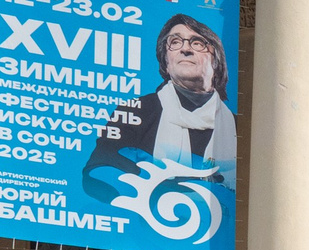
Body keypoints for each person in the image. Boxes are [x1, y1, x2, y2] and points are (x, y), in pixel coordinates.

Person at [81, 14, 236, 196]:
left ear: (216, 60)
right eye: (175, 42)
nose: (185, 48)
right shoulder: (136, 111)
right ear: (166, 62)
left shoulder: (238, 127)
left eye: (197, 43)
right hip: (144, 221)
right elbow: (99, 171)